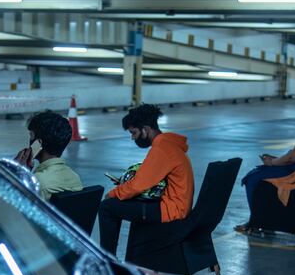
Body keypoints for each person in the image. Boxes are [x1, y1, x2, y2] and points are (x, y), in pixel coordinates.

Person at [98, 104, 194, 256]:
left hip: (171, 211)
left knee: (107, 207)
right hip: (177, 205)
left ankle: (106, 259)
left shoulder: (161, 149)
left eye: (134, 132)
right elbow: (148, 180)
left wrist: (113, 193)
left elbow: (138, 185)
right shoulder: (169, 144)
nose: (132, 138)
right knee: (121, 200)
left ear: (146, 129)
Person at [235, 100, 295, 233]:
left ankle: (255, 221)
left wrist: (271, 162)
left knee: (252, 178)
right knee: (260, 172)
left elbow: (292, 158)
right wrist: (277, 160)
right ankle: (260, 220)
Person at [13, 110, 83, 201]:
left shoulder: (37, 182)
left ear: (38, 143)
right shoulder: (75, 177)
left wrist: (16, 173)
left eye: (31, 136)